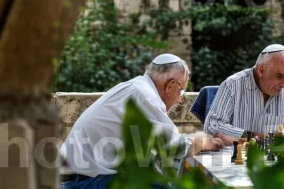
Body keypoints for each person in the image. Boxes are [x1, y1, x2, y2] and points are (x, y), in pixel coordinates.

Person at [59, 54, 223, 188]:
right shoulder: (146, 96)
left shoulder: (136, 87)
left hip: (79, 176)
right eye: (181, 91)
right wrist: (205, 142)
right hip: (86, 182)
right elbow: (175, 148)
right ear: (170, 85)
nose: (180, 99)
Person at [204, 44, 284, 144]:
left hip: (274, 157)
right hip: (236, 157)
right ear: (261, 70)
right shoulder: (233, 85)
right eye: (279, 76)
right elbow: (212, 126)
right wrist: (253, 136)